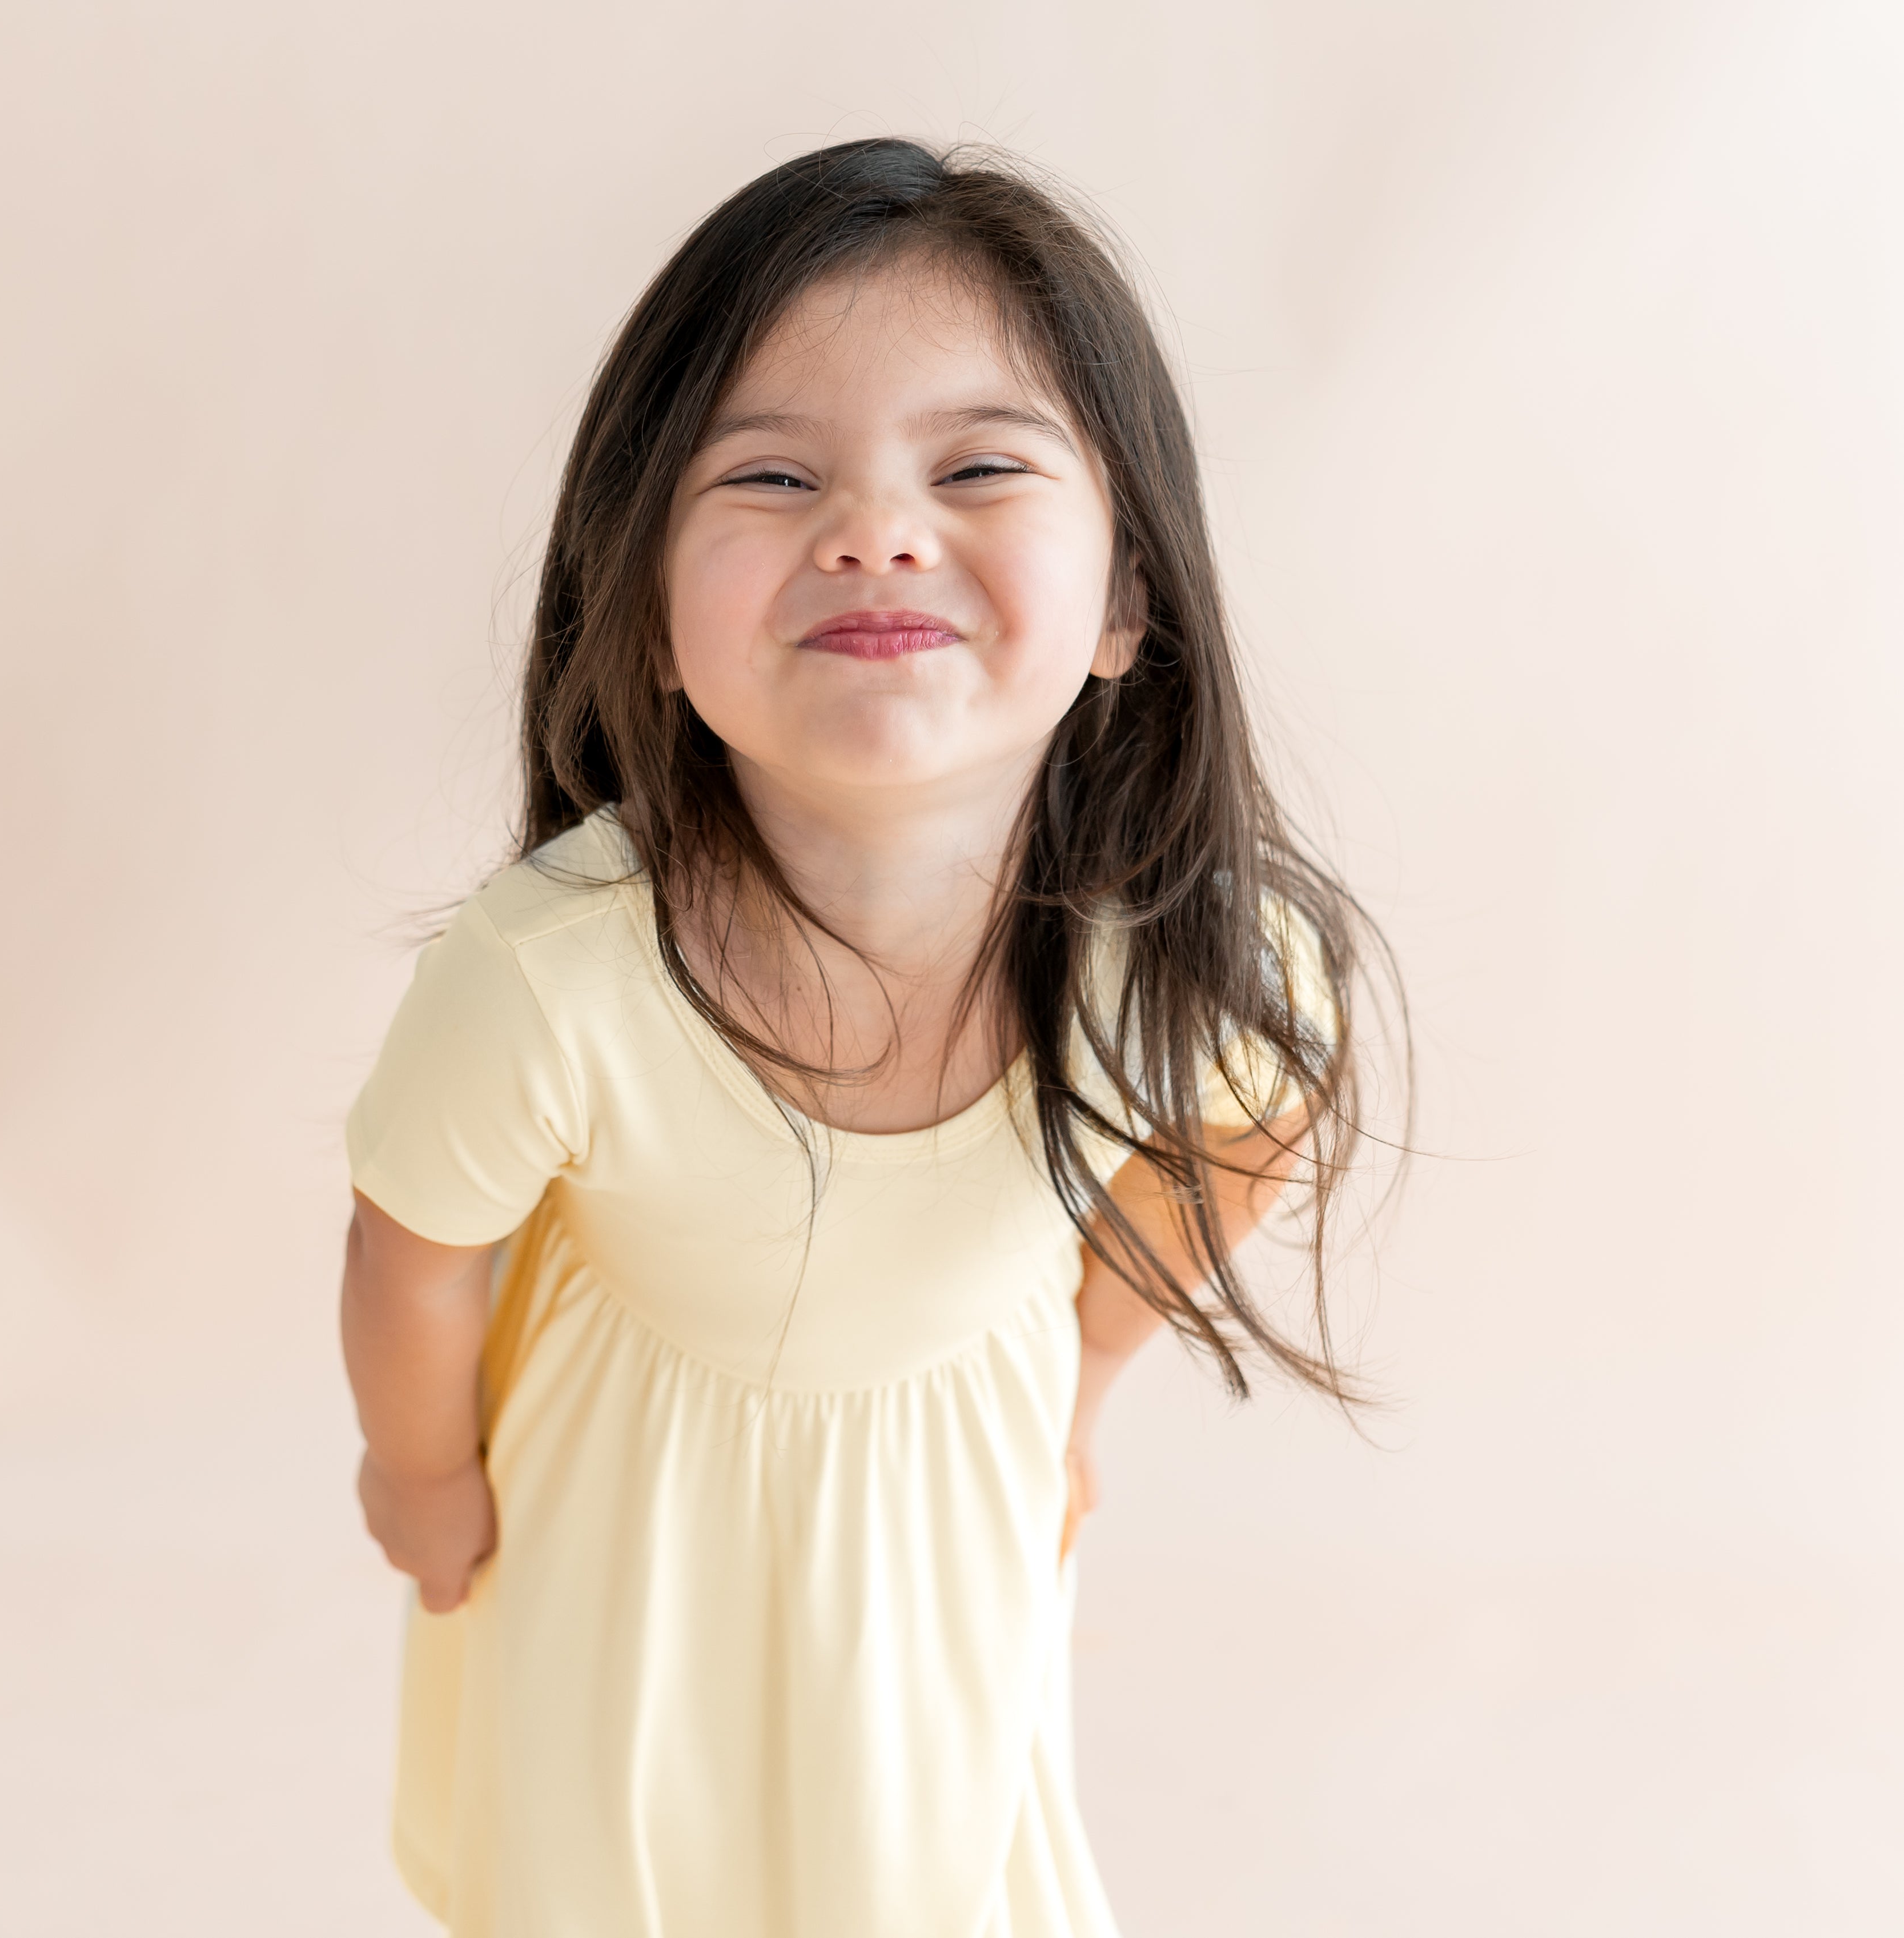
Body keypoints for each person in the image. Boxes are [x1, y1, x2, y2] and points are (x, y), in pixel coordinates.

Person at [340, 137, 1372, 1937]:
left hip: (942, 1501)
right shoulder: (556, 975)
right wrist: (419, 1470)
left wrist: (1084, 1363)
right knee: (621, 1864)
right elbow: (415, 1252)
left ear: (1125, 598)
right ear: (646, 620)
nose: (877, 529)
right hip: (621, 1524)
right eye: (770, 473)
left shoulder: (1173, 952)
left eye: (975, 465)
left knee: (929, 1859)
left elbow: (1262, 1107)